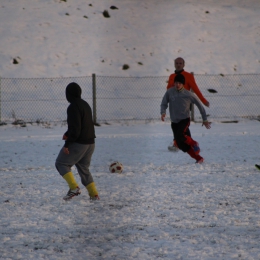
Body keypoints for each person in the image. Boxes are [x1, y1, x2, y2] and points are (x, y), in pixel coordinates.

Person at [55, 82, 99, 200]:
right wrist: (67, 134)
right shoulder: (85, 104)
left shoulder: (73, 106)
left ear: (68, 94)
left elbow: (76, 128)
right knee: (84, 169)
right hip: (91, 143)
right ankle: (94, 194)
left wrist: (67, 144)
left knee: (61, 163)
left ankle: (74, 188)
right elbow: (81, 125)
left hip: (80, 143)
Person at [161, 74, 211, 163]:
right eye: (176, 82)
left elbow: (200, 106)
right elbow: (164, 103)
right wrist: (163, 112)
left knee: (181, 135)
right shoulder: (170, 92)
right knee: (181, 145)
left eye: (180, 83)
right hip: (174, 122)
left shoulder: (188, 94)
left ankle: (194, 143)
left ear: (183, 84)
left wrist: (205, 119)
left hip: (184, 120)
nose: (178, 85)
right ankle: (199, 158)